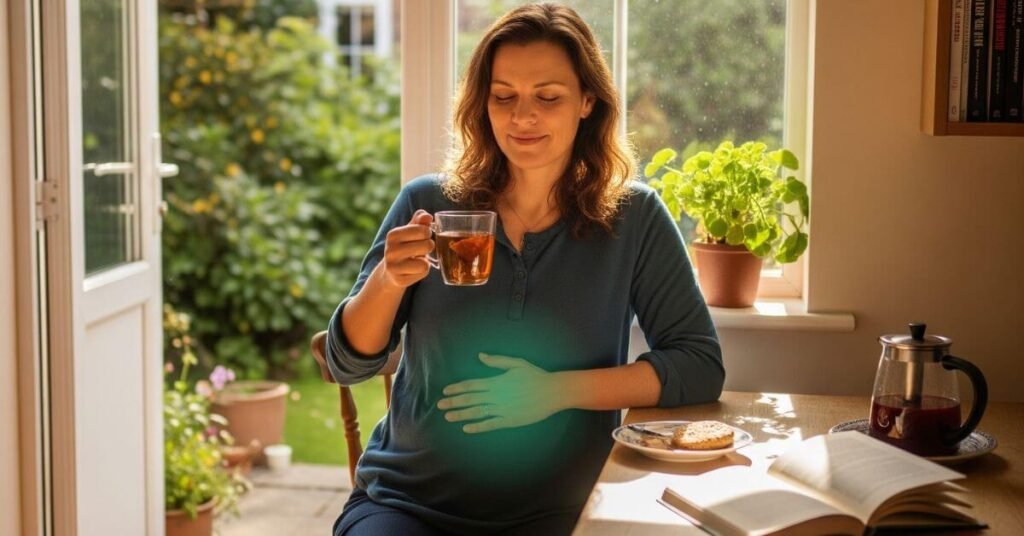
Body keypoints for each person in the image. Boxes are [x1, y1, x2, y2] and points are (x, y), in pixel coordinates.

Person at [326, 4, 723, 535]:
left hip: (563, 514)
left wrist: (554, 391)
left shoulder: (635, 218)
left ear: (587, 101)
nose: (522, 117)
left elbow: (699, 365)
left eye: (548, 97)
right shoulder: (428, 203)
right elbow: (347, 364)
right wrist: (388, 280)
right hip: (406, 504)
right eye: (503, 96)